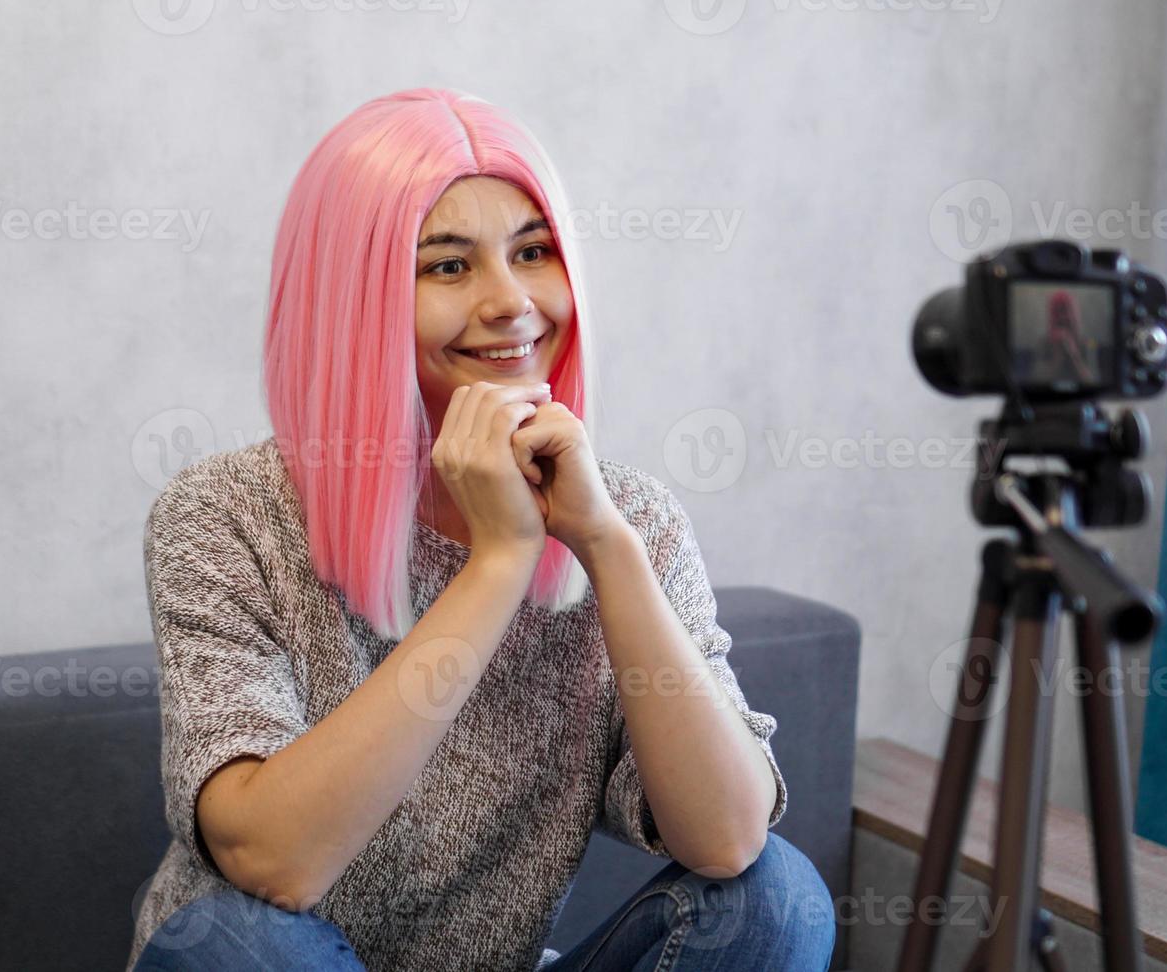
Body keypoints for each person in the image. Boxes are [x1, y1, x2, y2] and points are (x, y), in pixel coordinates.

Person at [125, 87, 836, 971]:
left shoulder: (627, 516)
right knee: (236, 943)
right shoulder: (223, 516)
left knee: (775, 900)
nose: (511, 302)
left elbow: (727, 842)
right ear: (351, 300)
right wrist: (499, 559)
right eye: (448, 266)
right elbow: (276, 862)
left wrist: (608, 548)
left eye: (533, 252)